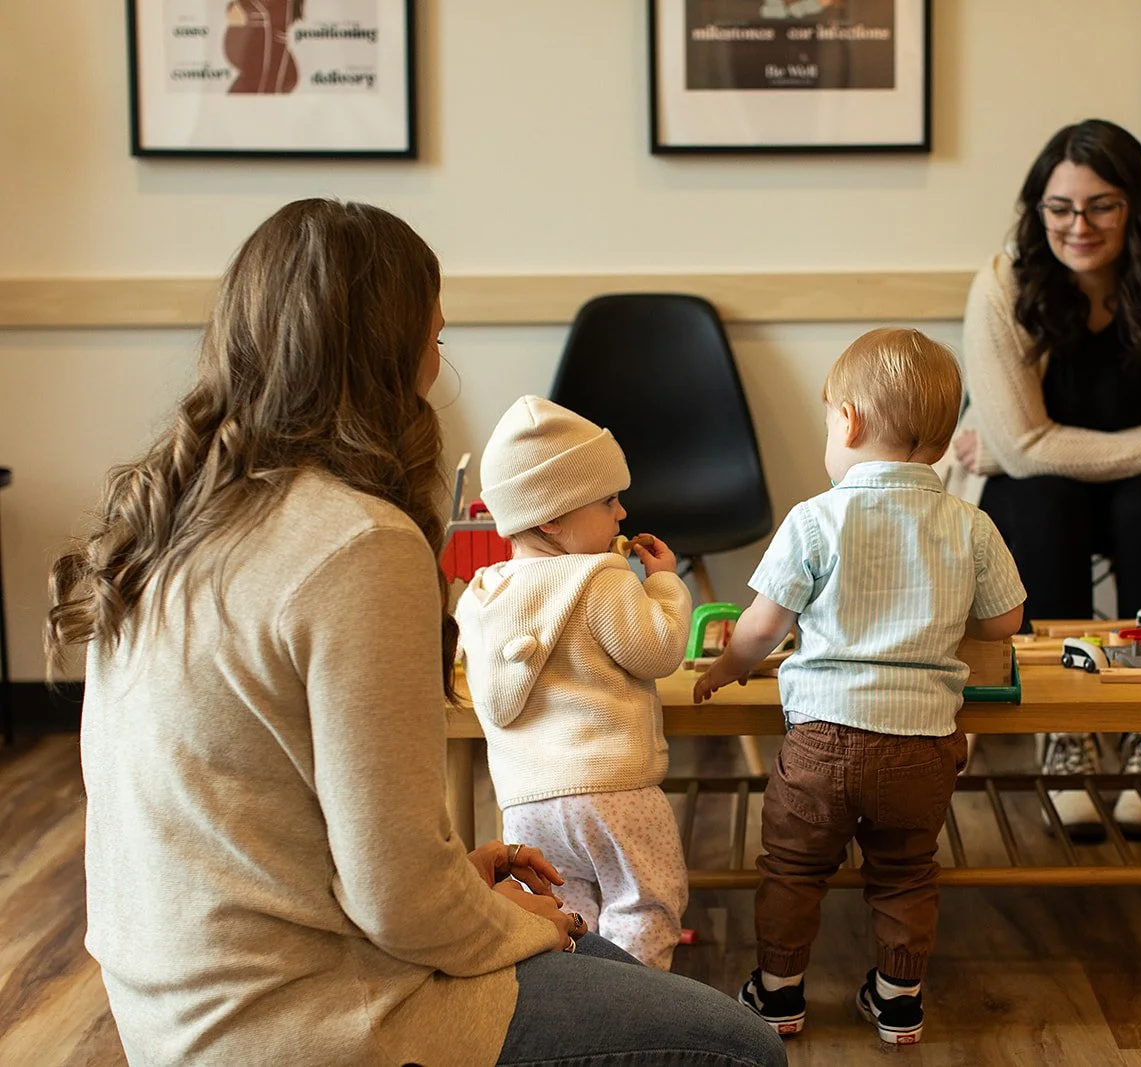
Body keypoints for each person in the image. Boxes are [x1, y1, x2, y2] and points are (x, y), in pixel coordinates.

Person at [46, 199, 786, 1067]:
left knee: (590, 947)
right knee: (737, 1048)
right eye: (435, 341)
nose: (440, 369)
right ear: (386, 358)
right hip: (303, 1021)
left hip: (172, 1013)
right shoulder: (359, 541)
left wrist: (451, 886)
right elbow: (394, 898)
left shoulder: (163, 522)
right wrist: (482, 919)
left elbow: (270, 826)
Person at [694, 328, 1027, 1046]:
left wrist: (728, 667)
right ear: (940, 440)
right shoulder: (970, 523)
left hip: (822, 740)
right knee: (907, 872)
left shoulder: (815, 518)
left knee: (791, 868)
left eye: (825, 423)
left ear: (847, 420)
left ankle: (779, 994)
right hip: (923, 745)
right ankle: (898, 998)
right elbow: (1005, 621)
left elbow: (760, 625)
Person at [943, 119, 1141, 838]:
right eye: (1060, 208)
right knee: (1042, 498)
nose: (1079, 226)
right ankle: (1064, 726)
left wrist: (1028, 448)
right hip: (1039, 496)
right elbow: (1028, 445)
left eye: (1102, 205)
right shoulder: (1003, 284)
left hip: (1139, 499)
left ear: (1137, 205)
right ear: (1037, 210)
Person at [455, 395, 692, 972]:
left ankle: (584, 1008)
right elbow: (659, 650)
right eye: (608, 500)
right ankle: (639, 1012)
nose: (621, 515)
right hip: (615, 793)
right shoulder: (599, 580)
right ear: (552, 519)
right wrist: (662, 586)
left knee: (561, 916)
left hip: (526, 806)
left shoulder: (480, 595)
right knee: (644, 907)